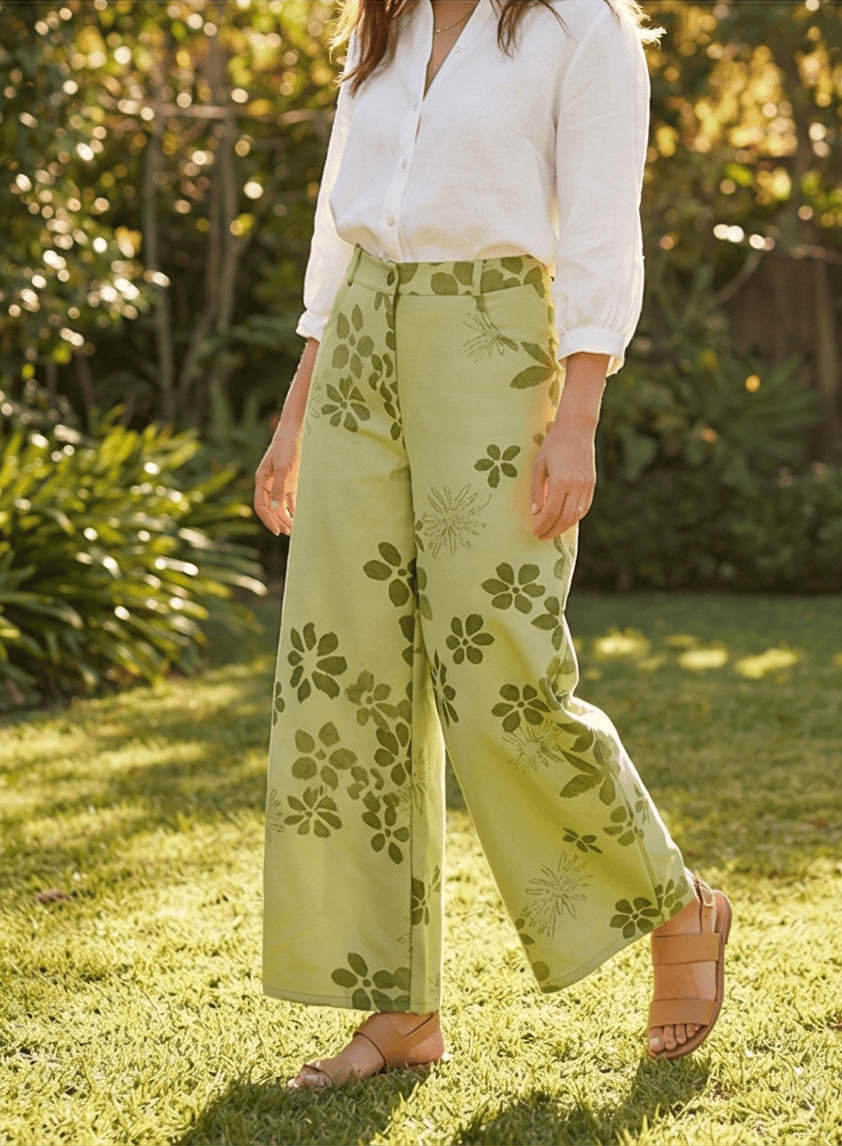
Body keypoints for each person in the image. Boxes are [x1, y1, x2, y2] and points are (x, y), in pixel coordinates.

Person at [254, 0, 732, 1090]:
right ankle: (397, 1009)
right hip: (358, 347)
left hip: (494, 342)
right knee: (345, 675)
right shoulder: (381, 25)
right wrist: (296, 410)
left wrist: (578, 417)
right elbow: (339, 223)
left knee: (500, 668)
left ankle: (673, 901)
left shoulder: (581, 27)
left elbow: (603, 230)